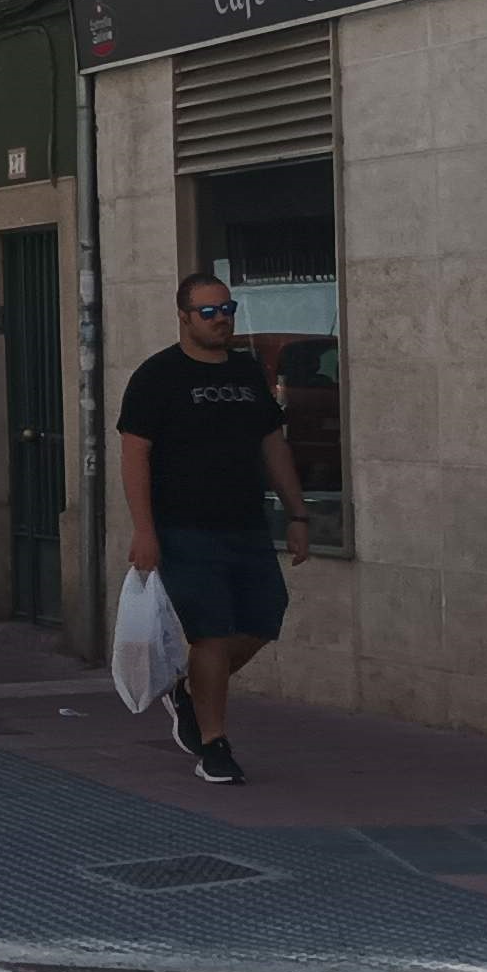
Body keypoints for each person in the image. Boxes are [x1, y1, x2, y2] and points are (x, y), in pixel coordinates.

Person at [119, 273, 312, 784]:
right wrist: (144, 530)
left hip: (246, 523)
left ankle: (190, 692)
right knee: (212, 632)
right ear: (184, 317)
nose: (221, 318)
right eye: (208, 311)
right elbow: (135, 456)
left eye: (227, 308)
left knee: (264, 619)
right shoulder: (157, 376)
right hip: (183, 528)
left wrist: (297, 513)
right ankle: (214, 744)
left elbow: (272, 444)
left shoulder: (247, 372)